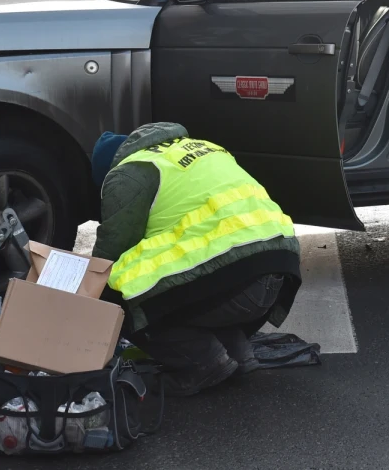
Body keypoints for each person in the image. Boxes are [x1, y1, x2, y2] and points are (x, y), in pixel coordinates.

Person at [89, 123, 302, 397]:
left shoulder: (127, 174)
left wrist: (86, 304)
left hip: (238, 281)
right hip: (280, 270)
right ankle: (238, 352)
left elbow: (110, 254)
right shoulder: (199, 147)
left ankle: (205, 363)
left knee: (124, 296)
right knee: (187, 276)